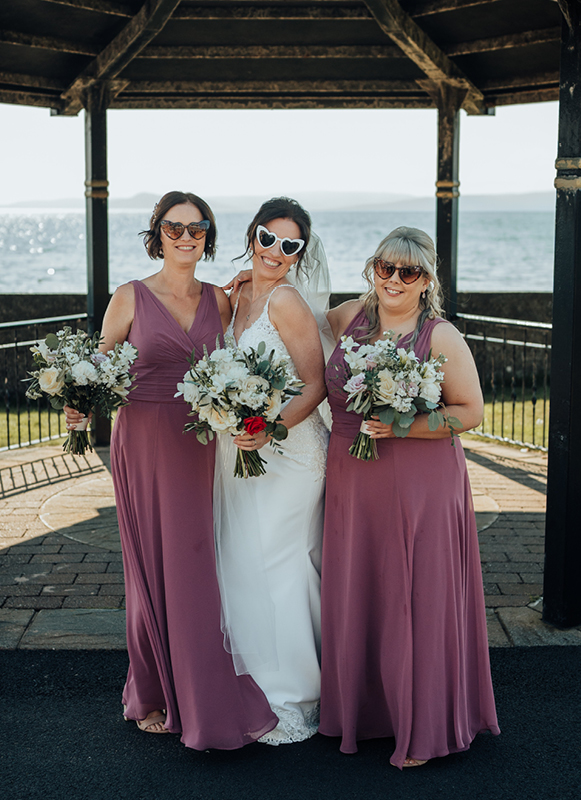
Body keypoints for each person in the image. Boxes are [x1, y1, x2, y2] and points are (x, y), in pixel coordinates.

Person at [66, 191, 277, 748]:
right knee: (149, 564)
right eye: (174, 226)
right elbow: (95, 368)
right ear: (157, 232)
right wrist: (76, 403)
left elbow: (243, 357)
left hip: (201, 441)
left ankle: (199, 687)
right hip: (142, 442)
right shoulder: (130, 296)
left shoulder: (222, 299)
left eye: (197, 226)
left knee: (195, 563)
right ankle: (153, 690)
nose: (186, 236)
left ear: (209, 234)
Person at [319, 226, 499, 769]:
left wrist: (405, 426)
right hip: (353, 475)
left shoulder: (439, 336)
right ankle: (367, 713)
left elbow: (470, 413)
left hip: (421, 478)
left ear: (427, 280)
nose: (394, 280)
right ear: (372, 269)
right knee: (361, 588)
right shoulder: (346, 317)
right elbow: (287, 317)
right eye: (385, 268)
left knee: (415, 593)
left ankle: (423, 724)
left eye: (409, 272)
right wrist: (243, 287)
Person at [212, 197, 329, 745]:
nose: (275, 251)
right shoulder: (236, 297)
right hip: (239, 452)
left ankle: (296, 693)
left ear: (300, 253)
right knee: (240, 561)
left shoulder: (286, 302)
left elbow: (316, 383)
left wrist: (269, 428)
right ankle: (250, 680)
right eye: (267, 237)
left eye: (290, 245)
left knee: (280, 563)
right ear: (252, 235)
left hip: (290, 452)